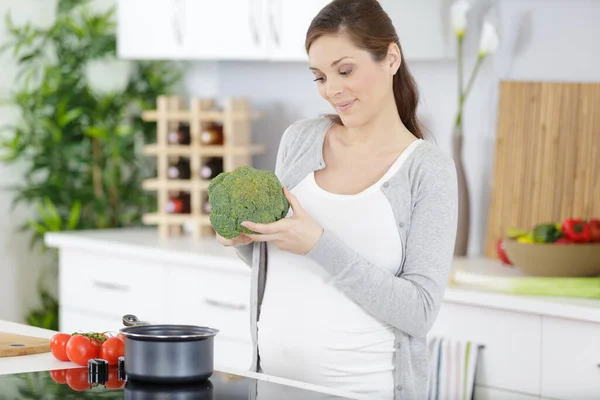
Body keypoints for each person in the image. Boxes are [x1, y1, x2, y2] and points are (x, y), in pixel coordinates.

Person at [216, 0, 458, 399]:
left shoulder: (426, 169)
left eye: (345, 71)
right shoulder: (299, 139)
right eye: (320, 77)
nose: (332, 90)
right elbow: (284, 263)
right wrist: (249, 242)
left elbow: (419, 311)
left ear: (391, 58)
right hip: (274, 386)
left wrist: (319, 244)